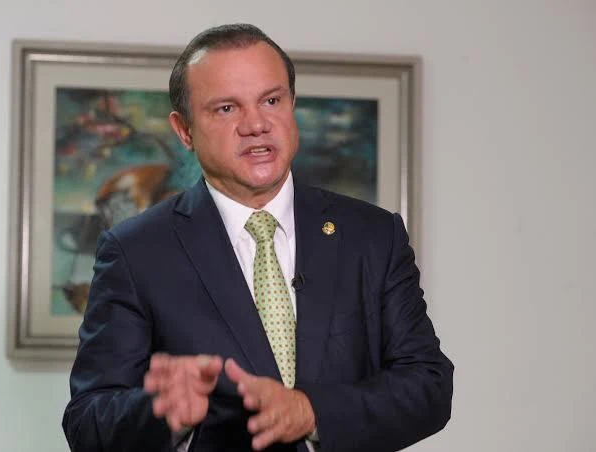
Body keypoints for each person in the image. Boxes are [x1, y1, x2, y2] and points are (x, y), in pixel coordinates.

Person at [62, 23, 453, 452]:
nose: (256, 124)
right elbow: (87, 423)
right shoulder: (136, 252)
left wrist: (311, 411)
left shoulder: (373, 235)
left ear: (292, 104)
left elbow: (428, 386)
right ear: (184, 130)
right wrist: (160, 414)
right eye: (226, 108)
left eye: (271, 100)